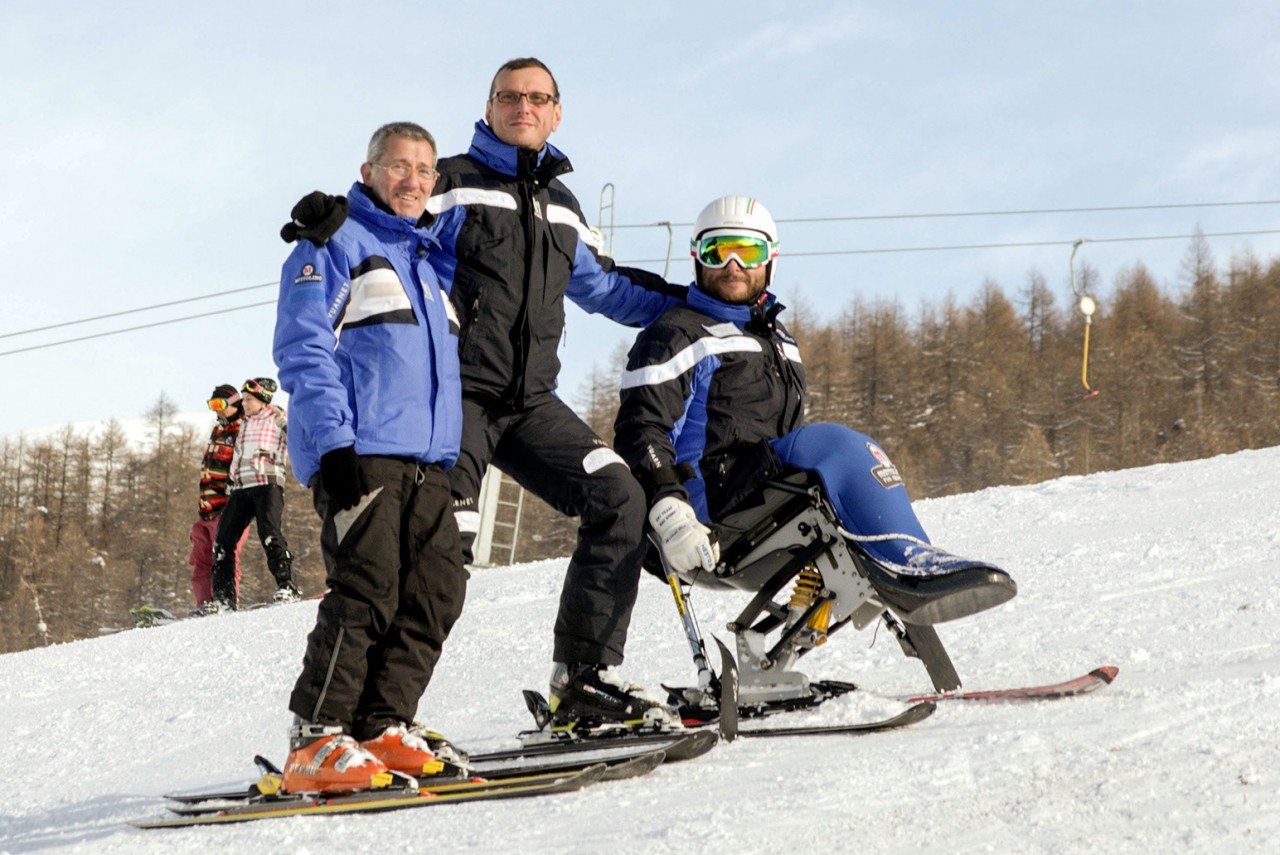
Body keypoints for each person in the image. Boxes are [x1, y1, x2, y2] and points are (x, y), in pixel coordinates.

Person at [282, 58, 686, 729]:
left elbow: (607, 288)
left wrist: (699, 306)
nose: (522, 107)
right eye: (509, 96)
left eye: (537, 97)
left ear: (557, 111)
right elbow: (390, 217)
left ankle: (581, 679)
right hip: (451, 405)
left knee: (620, 494)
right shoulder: (453, 183)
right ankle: (367, 721)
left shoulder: (564, 208)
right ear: (490, 106)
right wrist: (333, 210)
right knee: (436, 555)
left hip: (530, 405)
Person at [613, 196, 1016, 606]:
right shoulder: (678, 334)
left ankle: (899, 589)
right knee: (838, 446)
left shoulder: (779, 340)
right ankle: (907, 562)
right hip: (706, 513)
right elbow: (641, 427)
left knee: (847, 475)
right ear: (697, 258)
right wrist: (669, 510)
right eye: (717, 251)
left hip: (765, 501)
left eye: (748, 251)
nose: (732, 264)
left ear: (770, 260)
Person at [273, 121, 469, 794]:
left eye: (424, 170)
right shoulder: (334, 243)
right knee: (367, 590)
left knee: (437, 592)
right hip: (362, 454)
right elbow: (303, 344)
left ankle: (381, 722)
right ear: (368, 170)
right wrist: (333, 445)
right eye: (398, 167)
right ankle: (316, 734)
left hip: (428, 463)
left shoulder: (429, 259)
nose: (412, 180)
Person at [208, 376, 297, 610]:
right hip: (241, 488)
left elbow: (298, 440)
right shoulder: (246, 423)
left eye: (248, 399)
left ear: (262, 399)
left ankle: (287, 586)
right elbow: (237, 454)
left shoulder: (278, 418)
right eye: (243, 399)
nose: (244, 404)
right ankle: (223, 600)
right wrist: (231, 481)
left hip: (268, 485)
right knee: (223, 541)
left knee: (269, 533)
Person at [189, 384, 250, 611]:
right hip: (207, 509)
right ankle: (205, 605)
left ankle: (225, 603)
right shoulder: (218, 431)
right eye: (212, 405)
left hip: (228, 508)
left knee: (224, 556)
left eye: (220, 405)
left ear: (234, 403)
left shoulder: (244, 429)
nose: (217, 411)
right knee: (201, 560)